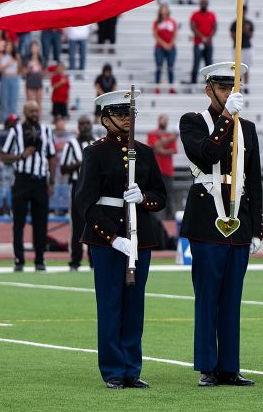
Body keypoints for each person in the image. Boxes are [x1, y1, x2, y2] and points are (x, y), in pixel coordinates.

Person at [179, 62, 262, 387]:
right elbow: (207, 154)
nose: (229, 93)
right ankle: (207, 366)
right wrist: (226, 119)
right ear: (208, 89)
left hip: (238, 220)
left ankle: (229, 366)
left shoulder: (249, 128)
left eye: (232, 88)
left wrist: (256, 228)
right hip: (206, 220)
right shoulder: (193, 122)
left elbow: (252, 180)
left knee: (232, 298)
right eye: (223, 88)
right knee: (208, 295)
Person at [76, 89, 166, 388]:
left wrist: (143, 198)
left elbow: (160, 196)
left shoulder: (145, 152)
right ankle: (113, 370)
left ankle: (132, 369)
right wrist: (113, 237)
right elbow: (86, 203)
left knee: (134, 305)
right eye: (120, 114)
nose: (127, 120)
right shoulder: (95, 152)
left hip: (139, 235)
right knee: (111, 305)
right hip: (108, 240)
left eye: (130, 114)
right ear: (104, 119)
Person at [0, 100, 58, 271]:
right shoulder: (15, 131)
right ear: (25, 112)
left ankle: (40, 260)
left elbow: (52, 158)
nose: (34, 114)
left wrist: (51, 181)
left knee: (41, 223)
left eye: (36, 111)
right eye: (31, 111)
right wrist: (21, 157)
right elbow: (3, 156)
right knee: (19, 223)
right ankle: (19, 260)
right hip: (22, 180)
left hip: (40, 180)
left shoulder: (46, 131)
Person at [67, 115, 97, 271]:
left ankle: (95, 261)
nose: (85, 126)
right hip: (77, 187)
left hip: (95, 188)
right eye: (82, 123)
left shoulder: (98, 142)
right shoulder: (72, 144)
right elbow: (63, 168)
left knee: (95, 224)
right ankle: (75, 261)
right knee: (78, 225)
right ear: (78, 126)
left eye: (87, 123)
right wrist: (80, 164)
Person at [147, 114, 178, 217]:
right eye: (163, 120)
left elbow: (172, 150)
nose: (165, 122)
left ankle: (170, 218)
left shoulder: (168, 134)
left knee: (169, 195)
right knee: (156, 193)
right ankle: (157, 218)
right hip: (156, 170)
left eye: (166, 120)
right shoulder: (153, 133)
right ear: (159, 121)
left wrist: (161, 148)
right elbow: (155, 147)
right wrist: (168, 140)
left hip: (168, 170)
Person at [189, 0, 217, 86]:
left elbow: (215, 27)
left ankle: (209, 85)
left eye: (205, 3)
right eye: (202, 3)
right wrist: (202, 38)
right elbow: (193, 27)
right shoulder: (195, 14)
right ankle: (193, 83)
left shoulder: (211, 15)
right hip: (198, 43)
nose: (204, 5)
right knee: (196, 64)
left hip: (208, 44)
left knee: (209, 65)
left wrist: (208, 38)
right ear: (200, 4)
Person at [152, 3, 177, 88]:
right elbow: (156, 35)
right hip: (159, 47)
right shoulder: (157, 22)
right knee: (159, 66)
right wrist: (164, 44)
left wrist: (170, 44)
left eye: (165, 8)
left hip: (171, 47)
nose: (164, 10)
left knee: (170, 67)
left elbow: (175, 34)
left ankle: (171, 87)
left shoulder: (172, 21)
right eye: (162, 8)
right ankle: (157, 87)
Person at [0, 45, 22, 123]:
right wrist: (7, 64)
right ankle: (4, 121)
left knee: (13, 102)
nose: (9, 47)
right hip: (5, 78)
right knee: (4, 102)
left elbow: (20, 68)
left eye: (10, 46)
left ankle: (13, 120)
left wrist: (16, 74)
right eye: (7, 45)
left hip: (14, 78)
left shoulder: (16, 56)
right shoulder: (1, 56)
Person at [229, 12, 254, 83]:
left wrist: (246, 30)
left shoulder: (249, 23)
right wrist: (241, 29)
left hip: (246, 47)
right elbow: (232, 36)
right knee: (237, 68)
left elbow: (251, 35)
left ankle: (246, 86)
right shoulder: (235, 23)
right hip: (237, 48)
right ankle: (238, 85)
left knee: (246, 68)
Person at [24, 41, 46, 109]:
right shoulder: (27, 58)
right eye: (33, 47)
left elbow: (44, 72)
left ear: (38, 48)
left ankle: (38, 119)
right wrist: (30, 68)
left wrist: (40, 71)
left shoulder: (42, 58)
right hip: (30, 82)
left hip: (39, 82)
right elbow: (24, 72)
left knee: (39, 104)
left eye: (36, 47)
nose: (34, 49)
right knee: (30, 104)